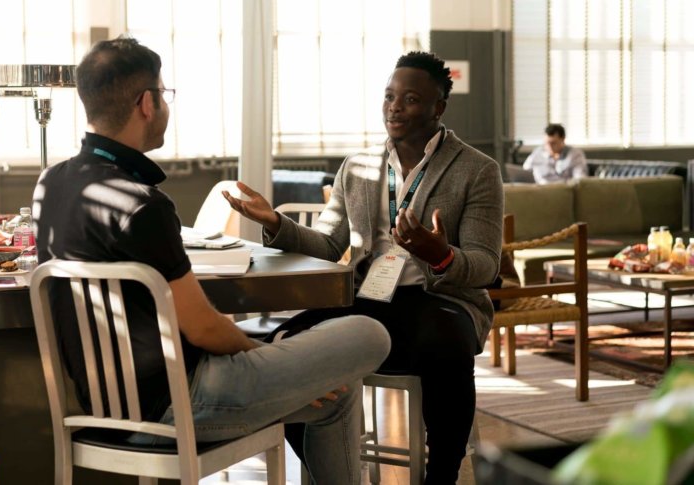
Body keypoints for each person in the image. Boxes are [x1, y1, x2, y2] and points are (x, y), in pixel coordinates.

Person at [32, 36, 391, 484]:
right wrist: (265, 354)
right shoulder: (144, 204)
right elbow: (201, 326)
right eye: (164, 94)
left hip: (100, 410)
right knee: (369, 332)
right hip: (181, 404)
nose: (165, 105)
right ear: (146, 102)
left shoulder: (51, 184)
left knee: (336, 393)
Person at [224, 51, 503, 484]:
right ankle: (328, 470)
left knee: (443, 342)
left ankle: (442, 475)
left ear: (438, 108)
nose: (395, 107)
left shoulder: (477, 170)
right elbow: (330, 244)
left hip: (441, 301)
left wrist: (439, 255)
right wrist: (276, 223)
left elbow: (486, 265)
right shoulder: (356, 168)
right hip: (369, 298)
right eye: (389, 96)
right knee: (291, 341)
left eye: (410, 98)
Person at [522, 123, 587, 184]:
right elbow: (524, 172)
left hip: (563, 190)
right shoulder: (538, 153)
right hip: (539, 190)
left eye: (553, 143)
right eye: (547, 143)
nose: (549, 147)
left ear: (563, 139)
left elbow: (580, 180)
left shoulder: (575, 154)